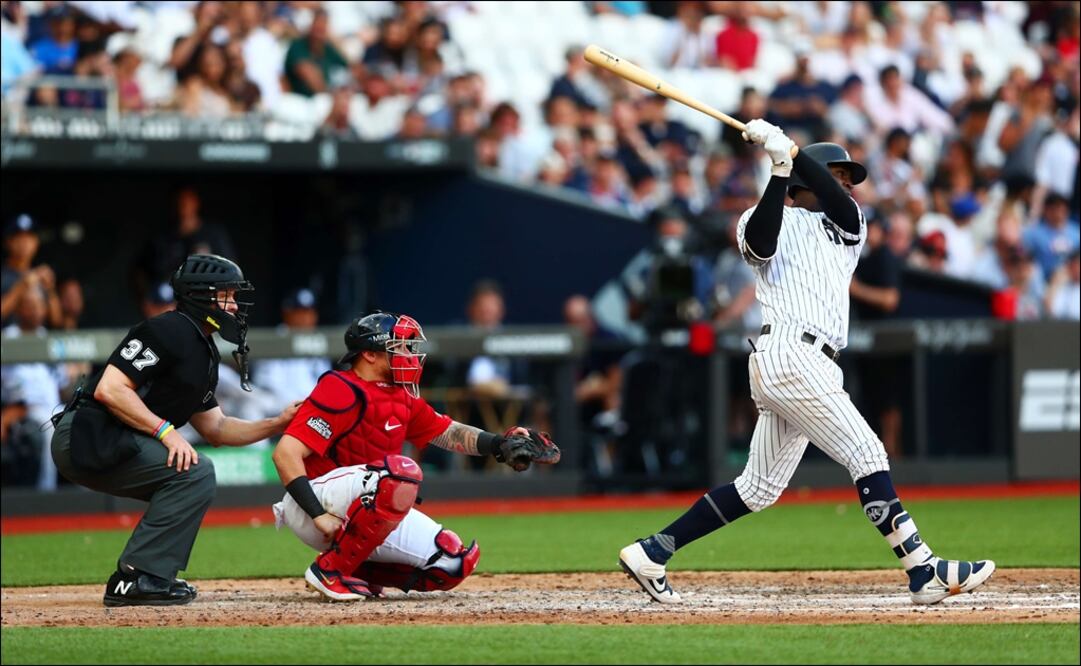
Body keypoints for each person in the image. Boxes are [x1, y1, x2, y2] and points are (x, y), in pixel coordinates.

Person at [618, 130, 995, 606]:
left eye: (846, 177)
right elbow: (759, 243)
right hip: (788, 356)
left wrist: (793, 152)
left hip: (811, 363)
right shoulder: (761, 217)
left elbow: (838, 201)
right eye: (836, 175)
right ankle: (923, 569)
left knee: (757, 488)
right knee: (868, 452)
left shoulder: (847, 224)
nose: (846, 185)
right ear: (801, 184)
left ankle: (653, 551)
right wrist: (780, 171)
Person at [50, 254, 300, 607]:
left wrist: (276, 423)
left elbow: (217, 428)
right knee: (193, 473)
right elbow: (110, 388)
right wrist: (166, 431)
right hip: (85, 435)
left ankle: (152, 576)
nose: (234, 305)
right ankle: (137, 576)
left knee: (193, 473)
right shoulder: (167, 329)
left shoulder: (204, 350)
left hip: (114, 439)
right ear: (202, 296)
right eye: (226, 295)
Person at [271, 312, 560, 601]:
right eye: (400, 347)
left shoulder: (401, 395)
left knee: (453, 561)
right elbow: (285, 454)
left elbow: (448, 432)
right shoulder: (340, 388)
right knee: (402, 473)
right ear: (370, 354)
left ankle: (355, 569)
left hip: (362, 507)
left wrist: (500, 444)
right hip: (314, 503)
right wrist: (317, 514)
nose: (409, 355)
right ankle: (330, 570)